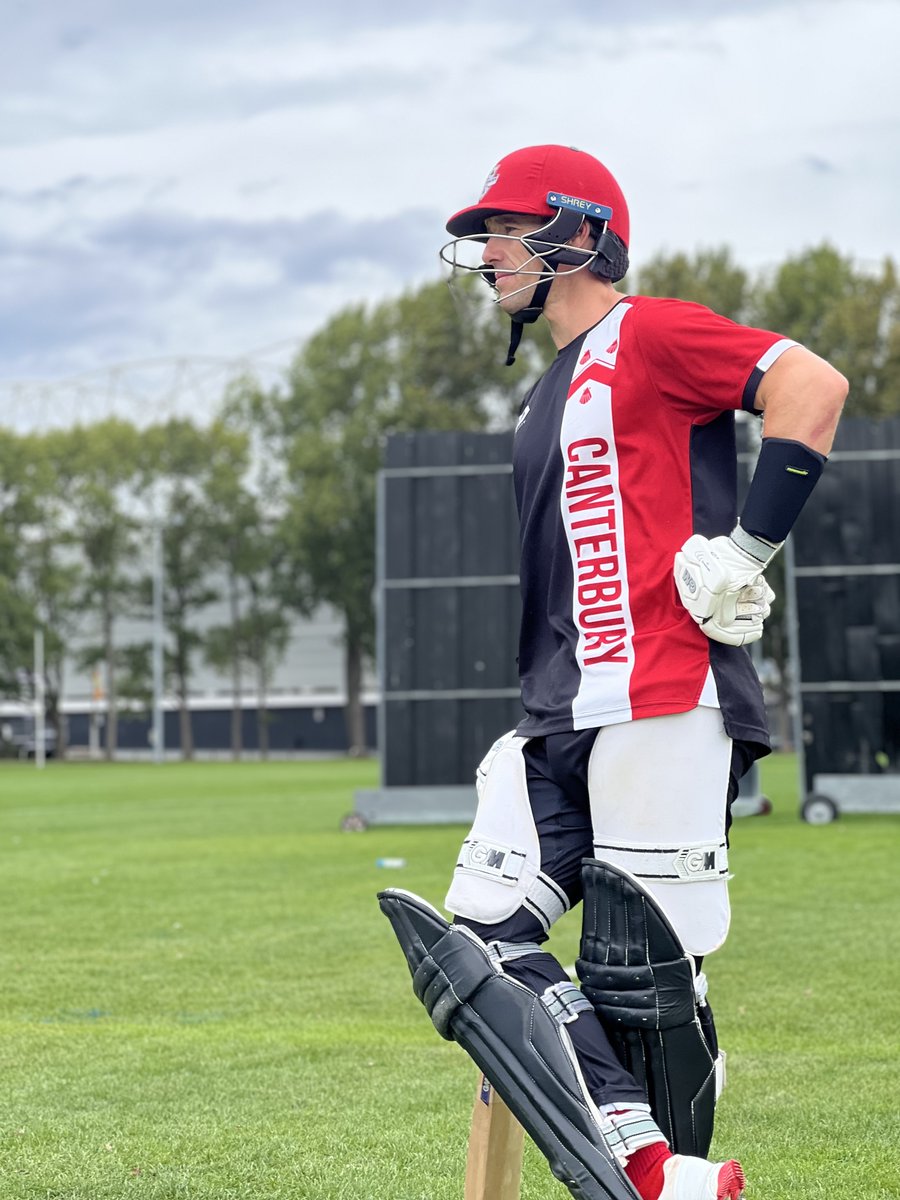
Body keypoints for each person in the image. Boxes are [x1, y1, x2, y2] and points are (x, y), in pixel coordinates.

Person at [380, 144, 847, 1200]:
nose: (490, 253)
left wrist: (746, 551)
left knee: (644, 984)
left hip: (664, 696)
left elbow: (811, 386)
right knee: (480, 942)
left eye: (509, 230)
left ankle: (663, 1171)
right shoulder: (542, 394)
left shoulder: (652, 331)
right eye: (487, 236)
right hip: (561, 712)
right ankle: (647, 1161)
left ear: (581, 233)